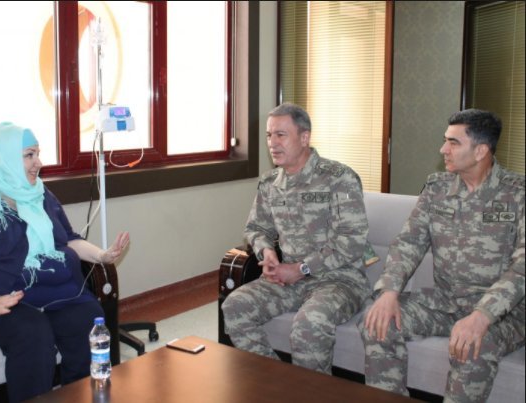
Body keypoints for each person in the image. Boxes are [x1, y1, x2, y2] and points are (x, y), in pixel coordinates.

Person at [0, 122, 130, 403]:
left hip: (50, 292)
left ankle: (80, 397)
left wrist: (102, 256)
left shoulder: (40, 194)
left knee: (87, 317)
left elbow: (67, 239)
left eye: (37, 153)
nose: (39, 162)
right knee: (33, 332)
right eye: (29, 155)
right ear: (2, 159)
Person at [360, 109, 525, 401]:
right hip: (445, 303)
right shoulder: (437, 188)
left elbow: (522, 267)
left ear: (481, 151)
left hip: (502, 314)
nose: (443, 149)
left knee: (473, 345)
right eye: (445, 140)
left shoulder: (517, 194)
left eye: (453, 142)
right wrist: (389, 292)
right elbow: (409, 242)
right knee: (377, 324)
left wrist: (482, 315)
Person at [221, 102, 372, 374]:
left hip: (340, 280)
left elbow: (351, 241)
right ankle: (277, 384)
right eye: (269, 135)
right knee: (234, 306)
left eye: (281, 135)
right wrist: (267, 253)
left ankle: (311, 391)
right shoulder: (270, 183)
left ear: (304, 137)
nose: (272, 143)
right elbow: (256, 228)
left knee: (309, 324)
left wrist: (301, 269)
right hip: (287, 279)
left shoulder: (339, 178)